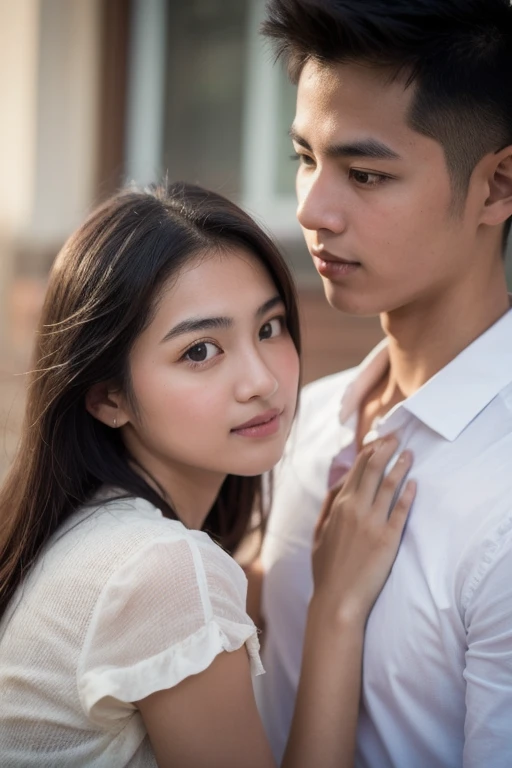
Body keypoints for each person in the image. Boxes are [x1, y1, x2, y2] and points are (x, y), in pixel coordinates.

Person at [0, 181, 414, 767]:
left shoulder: (90, 532)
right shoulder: (163, 570)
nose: (261, 381)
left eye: (269, 328)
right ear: (107, 397)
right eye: (200, 351)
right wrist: (337, 611)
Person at [254, 1, 512, 766]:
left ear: (498, 187)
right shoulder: (300, 422)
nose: (311, 209)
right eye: (305, 158)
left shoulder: (501, 506)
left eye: (365, 174)